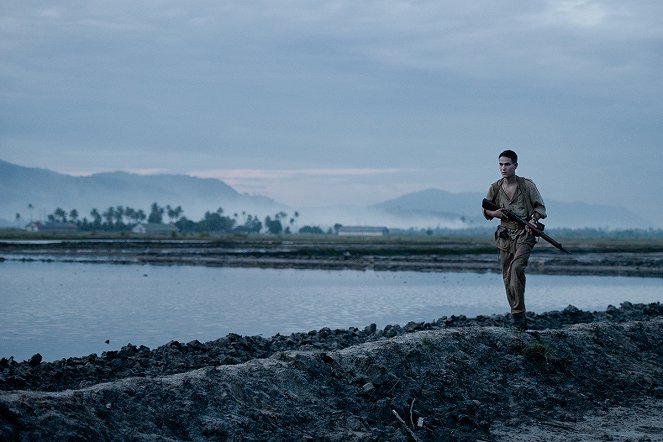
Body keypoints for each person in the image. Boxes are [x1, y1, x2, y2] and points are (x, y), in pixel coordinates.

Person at [483, 150, 546, 330]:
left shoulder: (526, 185)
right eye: (501, 164)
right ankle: (516, 314)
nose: (504, 168)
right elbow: (486, 210)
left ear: (515, 166)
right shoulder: (495, 187)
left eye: (507, 164)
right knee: (506, 276)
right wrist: (495, 213)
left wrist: (533, 220)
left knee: (516, 268)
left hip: (525, 234)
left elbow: (540, 208)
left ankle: (519, 316)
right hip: (504, 236)